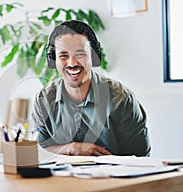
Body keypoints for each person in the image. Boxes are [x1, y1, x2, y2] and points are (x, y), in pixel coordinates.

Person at [32, 20, 151, 156]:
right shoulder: (44, 99)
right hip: (62, 177)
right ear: (53, 60)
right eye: (63, 55)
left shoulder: (121, 99)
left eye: (80, 54)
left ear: (93, 57)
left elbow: (140, 158)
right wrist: (71, 149)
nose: (72, 63)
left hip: (112, 176)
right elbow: (40, 152)